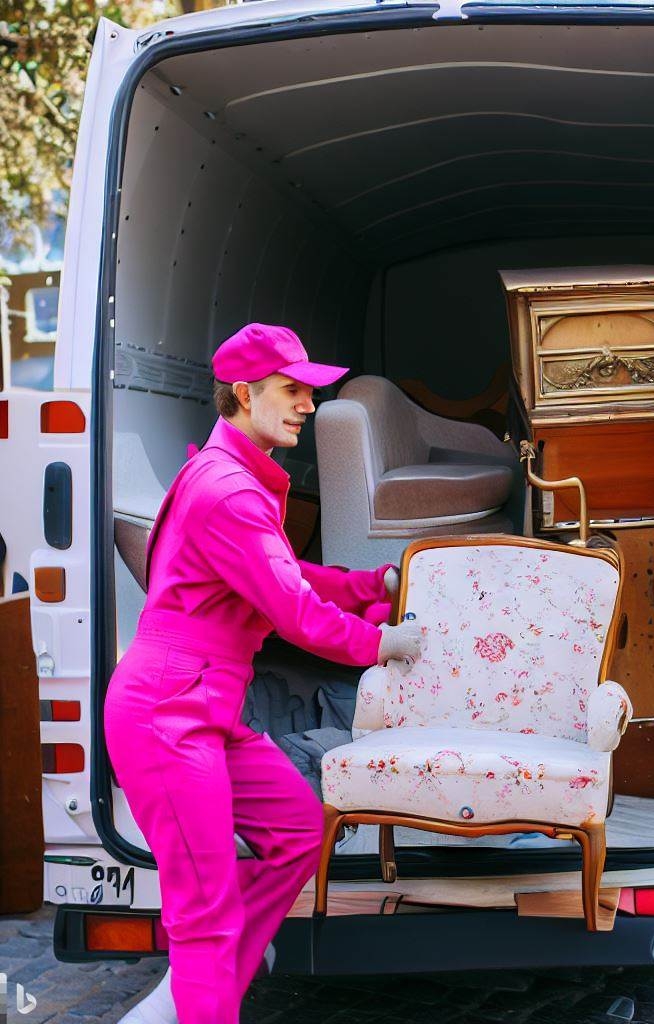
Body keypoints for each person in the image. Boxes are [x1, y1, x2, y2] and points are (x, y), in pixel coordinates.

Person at [106, 323, 423, 1023]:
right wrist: (382, 642)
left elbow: (284, 573)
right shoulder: (232, 492)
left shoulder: (231, 477)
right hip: (169, 712)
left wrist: (370, 581)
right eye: (293, 390)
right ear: (244, 395)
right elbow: (295, 613)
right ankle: (201, 981)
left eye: (310, 391)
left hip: (204, 706)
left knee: (300, 832)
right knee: (205, 915)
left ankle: (212, 968)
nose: (309, 404)